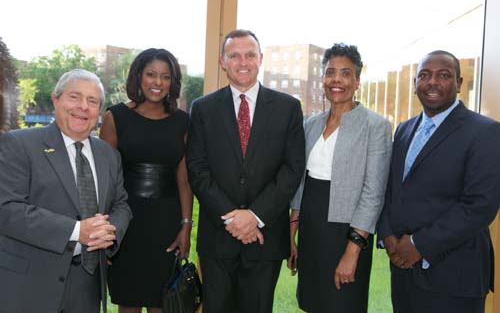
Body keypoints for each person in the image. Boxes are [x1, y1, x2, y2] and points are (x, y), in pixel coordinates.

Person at [186, 29, 305, 313]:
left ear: (260, 59)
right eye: (234, 55)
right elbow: (197, 169)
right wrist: (233, 219)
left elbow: (292, 168)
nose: (243, 61)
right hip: (218, 238)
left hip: (266, 238)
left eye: (250, 55)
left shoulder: (288, 107)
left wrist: (254, 216)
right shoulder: (202, 109)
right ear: (222, 61)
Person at [0, 69, 132, 313]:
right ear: (56, 100)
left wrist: (108, 232)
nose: (83, 107)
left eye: (92, 101)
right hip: (29, 287)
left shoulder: (109, 155)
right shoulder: (18, 144)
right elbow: (7, 210)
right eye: (74, 97)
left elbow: (121, 203)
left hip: (87, 287)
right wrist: (77, 231)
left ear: (99, 111)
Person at [378, 50, 500, 313]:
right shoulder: (404, 129)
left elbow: (480, 206)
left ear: (458, 83)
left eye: (443, 75)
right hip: (404, 273)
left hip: (455, 279)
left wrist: (419, 245)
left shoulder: (486, 132)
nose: (432, 82)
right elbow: (391, 189)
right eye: (424, 75)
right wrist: (387, 234)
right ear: (415, 85)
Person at [288, 43, 392, 313]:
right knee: (312, 302)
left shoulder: (375, 126)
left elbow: (373, 193)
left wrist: (352, 250)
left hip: (347, 233)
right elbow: (301, 183)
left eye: (345, 73)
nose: (337, 80)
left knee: (343, 303)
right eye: (330, 72)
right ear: (323, 78)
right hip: (312, 229)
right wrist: (292, 233)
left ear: (357, 81)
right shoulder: (310, 124)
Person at [100, 48, 193, 313]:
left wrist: (185, 226)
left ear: (172, 82)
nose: (158, 82)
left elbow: (184, 180)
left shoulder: (182, 122)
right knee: (128, 302)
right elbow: (105, 179)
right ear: (138, 76)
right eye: (151, 74)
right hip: (126, 221)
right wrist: (107, 232)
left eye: (165, 77)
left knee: (162, 303)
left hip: (165, 221)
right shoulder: (115, 117)